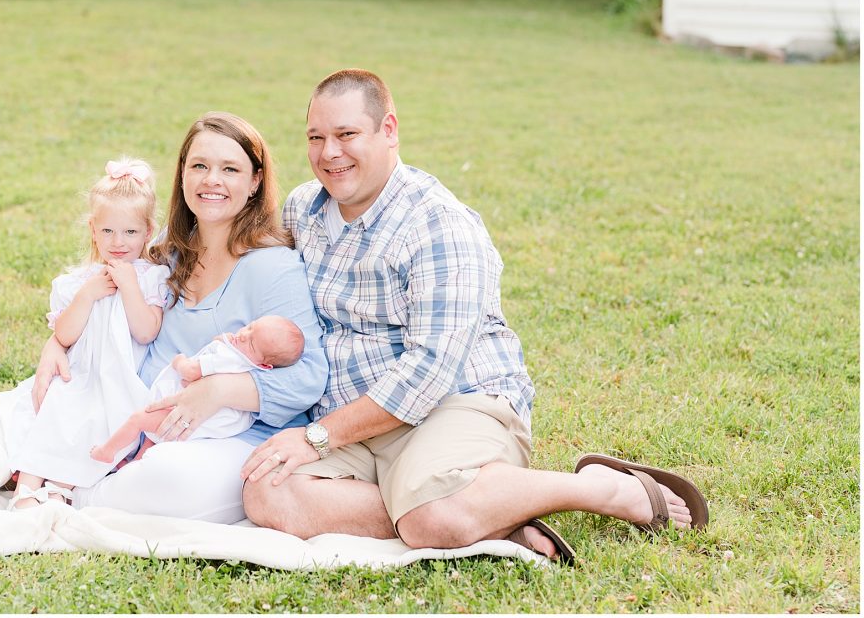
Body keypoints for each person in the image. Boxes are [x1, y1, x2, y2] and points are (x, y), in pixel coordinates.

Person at [240, 68, 708, 564]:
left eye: (347, 135)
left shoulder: (438, 223)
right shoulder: (303, 211)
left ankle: (599, 489)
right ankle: (489, 511)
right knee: (266, 490)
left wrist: (319, 437)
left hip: (454, 403)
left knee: (432, 518)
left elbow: (429, 371)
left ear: (389, 130)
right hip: (356, 418)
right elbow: (242, 261)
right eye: (316, 137)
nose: (329, 153)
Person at [28, 112, 328, 524]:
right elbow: (102, 297)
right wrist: (54, 345)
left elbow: (309, 376)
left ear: (255, 181)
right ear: (182, 174)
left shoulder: (272, 267)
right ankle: (64, 477)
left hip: (224, 435)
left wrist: (218, 391)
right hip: (131, 411)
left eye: (230, 169)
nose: (211, 180)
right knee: (33, 415)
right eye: (199, 166)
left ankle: (73, 490)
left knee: (170, 478)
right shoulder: (168, 252)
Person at [0, 158, 172, 509]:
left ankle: (60, 487)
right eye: (107, 231)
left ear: (148, 231)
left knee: (94, 421)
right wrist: (88, 294)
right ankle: (28, 487)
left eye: (130, 232)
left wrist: (130, 288)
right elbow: (63, 335)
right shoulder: (77, 281)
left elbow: (146, 331)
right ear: (93, 229)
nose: (118, 242)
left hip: (116, 381)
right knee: (56, 407)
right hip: (78, 374)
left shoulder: (152, 278)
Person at [90, 314, 305, 464]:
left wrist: (179, 361)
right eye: (250, 327)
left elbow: (191, 373)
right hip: (209, 420)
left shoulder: (230, 359)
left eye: (251, 343)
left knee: (139, 419)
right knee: (152, 441)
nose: (243, 335)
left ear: (264, 365)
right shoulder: (247, 362)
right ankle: (133, 466)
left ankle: (107, 451)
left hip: (187, 412)